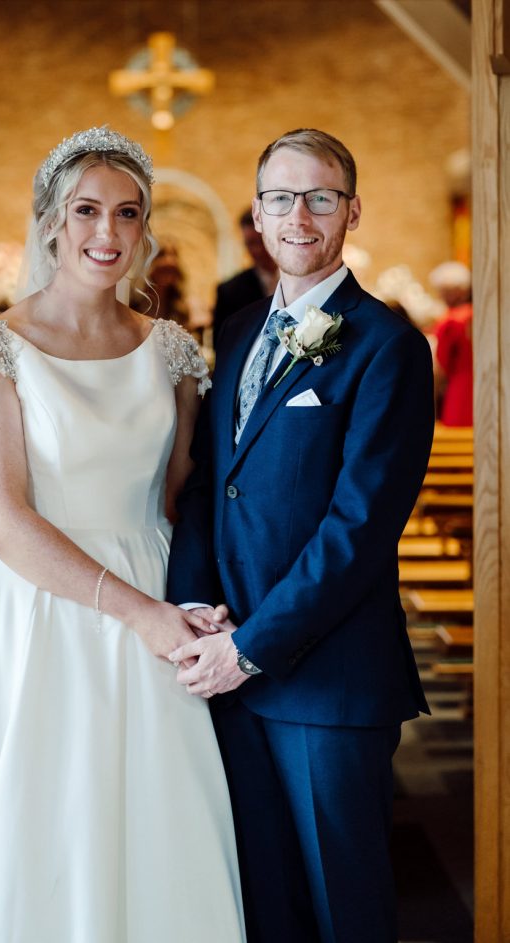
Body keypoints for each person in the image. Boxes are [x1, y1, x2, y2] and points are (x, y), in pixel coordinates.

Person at [0, 126, 245, 943]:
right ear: (50, 221)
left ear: (146, 228)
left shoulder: (175, 354)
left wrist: (208, 598)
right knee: (38, 810)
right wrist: (138, 612)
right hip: (36, 600)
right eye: (86, 210)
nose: (106, 233)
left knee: (153, 814)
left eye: (127, 213)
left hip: (156, 592)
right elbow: (3, 516)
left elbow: (185, 498)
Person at [166, 128, 435, 943]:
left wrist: (251, 644)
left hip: (326, 681)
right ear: (256, 212)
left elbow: (357, 529)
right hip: (228, 671)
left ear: (351, 210)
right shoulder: (239, 327)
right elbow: (212, 487)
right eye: (281, 197)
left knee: (341, 904)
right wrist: (190, 604)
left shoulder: (387, 345)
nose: (299, 214)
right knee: (261, 901)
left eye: (320, 196)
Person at [212, 208, 278, 346]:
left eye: (261, 241)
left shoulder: (302, 279)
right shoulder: (229, 291)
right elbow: (222, 344)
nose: (258, 250)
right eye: (251, 243)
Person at [429, 261, 473, 426]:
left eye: (445, 291)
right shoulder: (478, 314)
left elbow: (442, 361)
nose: (441, 296)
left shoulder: (450, 321)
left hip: (459, 389)